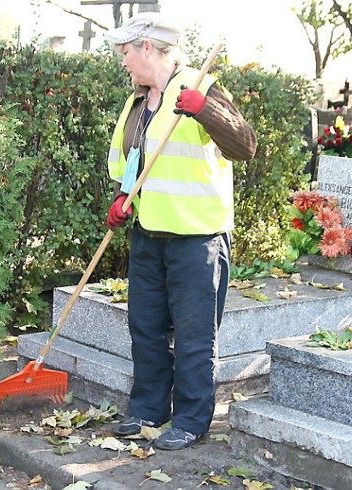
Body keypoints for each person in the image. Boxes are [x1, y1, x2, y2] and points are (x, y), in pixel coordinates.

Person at [103, 12, 257, 450]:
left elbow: (244, 145)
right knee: (145, 328)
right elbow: (130, 162)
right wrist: (122, 198)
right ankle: (149, 410)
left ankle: (191, 420)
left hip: (198, 238)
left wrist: (205, 111)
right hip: (149, 233)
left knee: (194, 336)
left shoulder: (202, 86)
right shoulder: (137, 103)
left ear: (148, 47)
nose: (124, 60)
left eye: (126, 51)